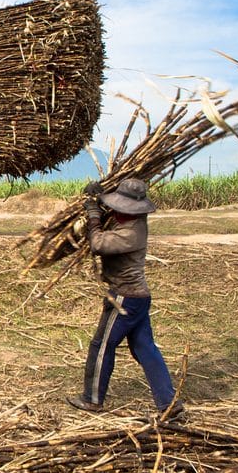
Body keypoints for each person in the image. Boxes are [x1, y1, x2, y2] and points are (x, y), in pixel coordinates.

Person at [68, 178, 184, 418]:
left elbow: (98, 243)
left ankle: (92, 400)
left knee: (101, 346)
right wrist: (97, 198)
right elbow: (113, 212)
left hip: (125, 298)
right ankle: (168, 404)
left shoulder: (131, 232)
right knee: (144, 348)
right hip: (139, 296)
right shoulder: (133, 220)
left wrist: (93, 216)